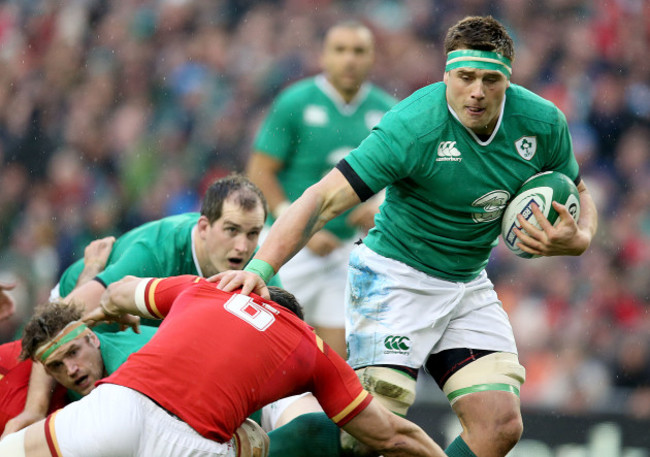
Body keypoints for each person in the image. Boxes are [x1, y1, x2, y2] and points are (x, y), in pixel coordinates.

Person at [215, 15, 599, 457]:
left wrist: (581, 236)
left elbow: (579, 190)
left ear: (508, 80)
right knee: (367, 432)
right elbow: (323, 199)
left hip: (466, 284)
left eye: (490, 80)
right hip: (393, 278)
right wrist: (261, 267)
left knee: (500, 426)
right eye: (465, 77)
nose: (476, 91)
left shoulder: (542, 122)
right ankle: (245, 447)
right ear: (447, 75)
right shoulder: (414, 126)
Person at [0, 274, 446, 457]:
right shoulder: (311, 349)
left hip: (123, 405)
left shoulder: (205, 289)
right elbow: (392, 434)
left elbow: (121, 290)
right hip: (193, 444)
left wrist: (113, 310)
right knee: (250, 443)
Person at [4, 173, 281, 436]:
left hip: (130, 349)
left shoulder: (256, 270)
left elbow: (283, 346)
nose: (243, 247)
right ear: (205, 227)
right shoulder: (154, 253)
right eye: (232, 230)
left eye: (253, 234)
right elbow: (58, 326)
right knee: (18, 421)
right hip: (73, 320)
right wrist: (35, 408)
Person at [247, 20, 396, 358]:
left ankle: (322, 412)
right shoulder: (295, 102)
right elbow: (260, 171)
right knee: (266, 341)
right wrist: (300, 227)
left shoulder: (387, 110)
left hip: (346, 248)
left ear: (372, 58)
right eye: (340, 50)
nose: (349, 60)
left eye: (358, 51)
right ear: (324, 56)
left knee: (334, 356)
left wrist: (380, 205)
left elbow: (402, 178)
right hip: (288, 248)